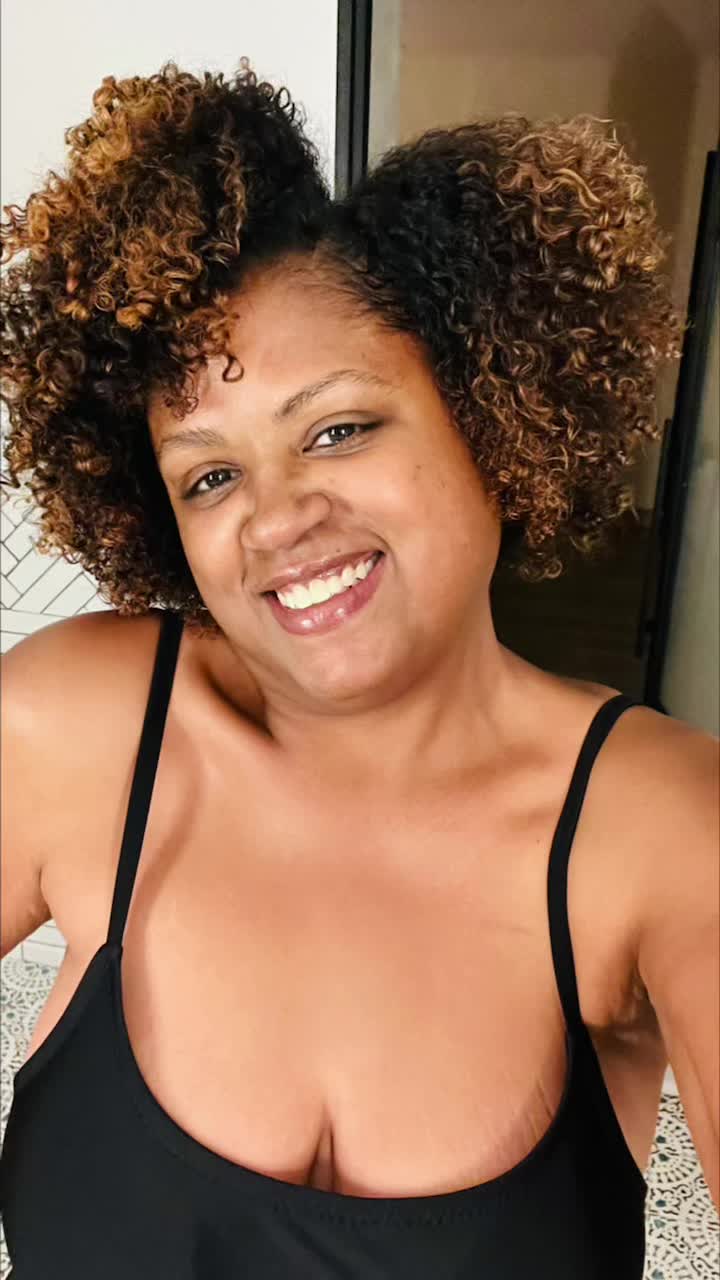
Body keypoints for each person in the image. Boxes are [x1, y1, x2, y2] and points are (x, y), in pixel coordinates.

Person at [0, 58, 717, 1279]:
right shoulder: (83, 727)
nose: (276, 519)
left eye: (338, 429)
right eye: (210, 476)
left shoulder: (654, 825)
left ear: (492, 417)